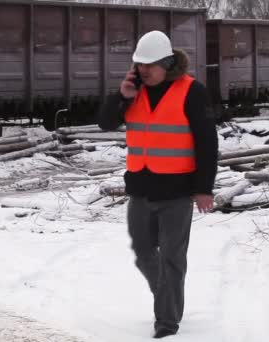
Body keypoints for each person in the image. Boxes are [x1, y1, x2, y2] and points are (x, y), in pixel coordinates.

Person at [97, 30, 218, 339]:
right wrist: (120, 97)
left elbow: (207, 142)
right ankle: (167, 297)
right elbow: (105, 123)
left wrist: (204, 189)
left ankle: (167, 322)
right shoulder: (132, 91)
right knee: (142, 251)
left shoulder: (192, 91)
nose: (143, 71)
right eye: (139, 64)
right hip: (140, 189)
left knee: (172, 257)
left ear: (167, 63)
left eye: (149, 65)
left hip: (177, 193)